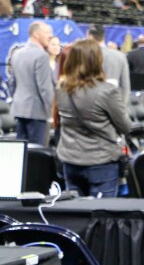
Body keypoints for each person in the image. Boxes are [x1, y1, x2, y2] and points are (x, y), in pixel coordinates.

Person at [55, 39, 131, 197]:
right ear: (96, 61)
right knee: (101, 217)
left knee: (75, 217)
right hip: (101, 162)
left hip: (70, 160)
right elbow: (125, 127)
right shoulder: (108, 91)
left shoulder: (61, 88)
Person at [10, 21, 55, 145]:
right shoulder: (42, 56)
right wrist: (52, 112)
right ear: (36, 34)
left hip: (19, 110)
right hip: (37, 112)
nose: (50, 36)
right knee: (37, 154)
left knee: (21, 153)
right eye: (47, 32)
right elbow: (44, 88)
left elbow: (13, 84)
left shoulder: (17, 54)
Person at [87, 24, 131, 105]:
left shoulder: (85, 56)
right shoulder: (120, 56)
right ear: (104, 36)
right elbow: (125, 87)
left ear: (90, 36)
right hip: (114, 107)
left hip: (90, 108)